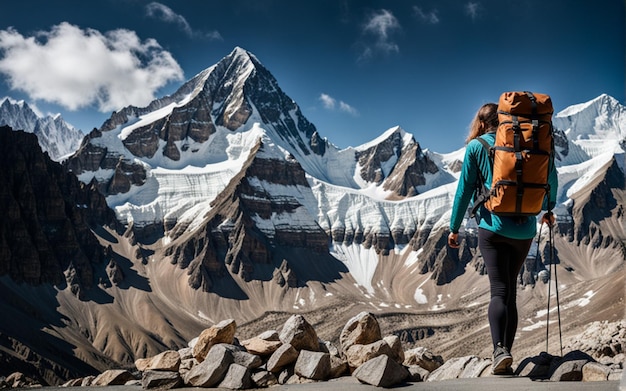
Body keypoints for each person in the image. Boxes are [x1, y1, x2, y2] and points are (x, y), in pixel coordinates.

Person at [447, 102, 557, 375]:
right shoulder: (527, 145)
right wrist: (550, 208)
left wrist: (454, 227)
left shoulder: (476, 147)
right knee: (510, 291)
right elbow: (550, 175)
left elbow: (463, 191)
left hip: (492, 228)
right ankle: (505, 355)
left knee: (499, 290)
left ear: (482, 124)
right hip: (524, 230)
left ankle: (499, 351)